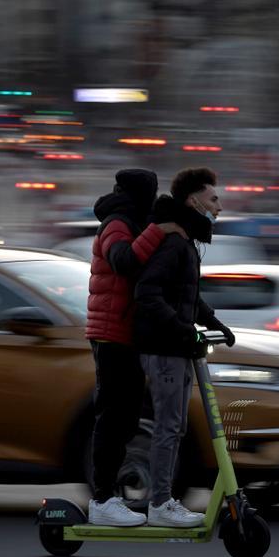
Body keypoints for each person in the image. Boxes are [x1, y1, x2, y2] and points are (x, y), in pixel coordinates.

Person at [134, 167, 236, 528]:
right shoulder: (175, 243)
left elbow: (186, 296)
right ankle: (160, 503)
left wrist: (213, 323)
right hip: (164, 349)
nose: (219, 207)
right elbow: (148, 294)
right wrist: (183, 331)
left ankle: (164, 500)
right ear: (194, 201)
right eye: (214, 199)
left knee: (174, 427)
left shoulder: (187, 242)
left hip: (175, 346)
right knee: (168, 425)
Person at [85, 169, 184, 527]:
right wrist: (159, 231)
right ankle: (101, 500)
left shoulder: (135, 220)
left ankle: (109, 495)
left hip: (127, 334)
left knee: (126, 418)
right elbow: (124, 261)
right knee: (113, 417)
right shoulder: (116, 223)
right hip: (111, 333)